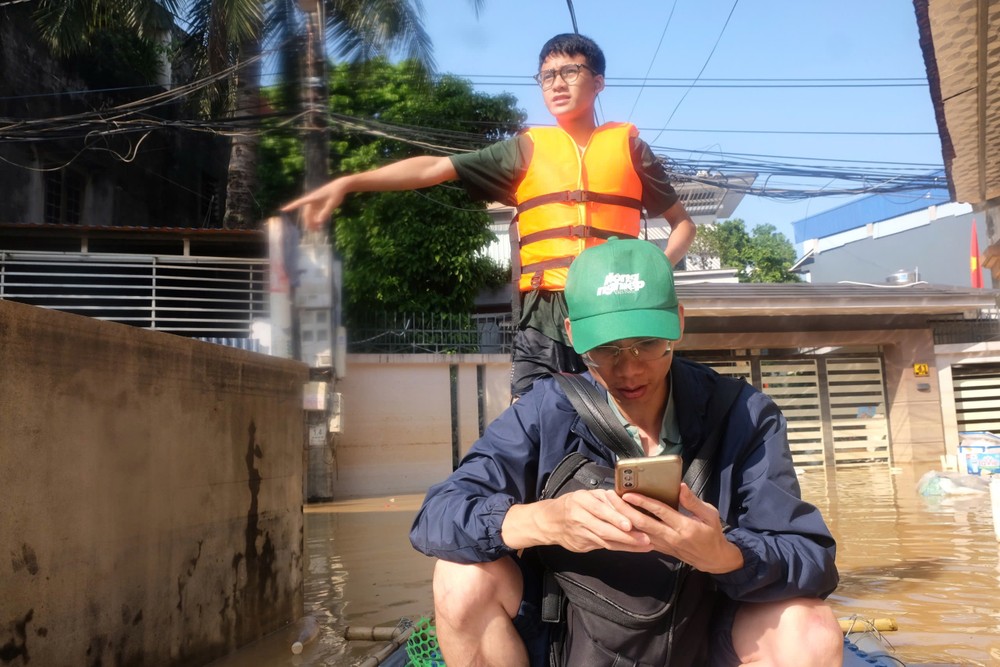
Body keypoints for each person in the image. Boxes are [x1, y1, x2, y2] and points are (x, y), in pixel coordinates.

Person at [408, 237, 842, 666]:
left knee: (812, 629)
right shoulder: (544, 411)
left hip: (703, 641)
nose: (630, 369)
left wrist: (728, 554)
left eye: (648, 343)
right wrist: (542, 520)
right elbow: (436, 515)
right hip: (569, 641)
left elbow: (813, 559)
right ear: (573, 336)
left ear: (678, 322)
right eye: (606, 349)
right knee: (459, 577)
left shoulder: (744, 414)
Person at [282, 33, 696, 398]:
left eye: (570, 71)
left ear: (598, 82)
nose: (557, 83)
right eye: (547, 75)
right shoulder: (524, 150)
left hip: (614, 309)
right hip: (545, 312)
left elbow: (684, 224)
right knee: (529, 426)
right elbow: (434, 168)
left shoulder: (630, 149)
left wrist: (655, 269)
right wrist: (348, 182)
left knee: (621, 425)